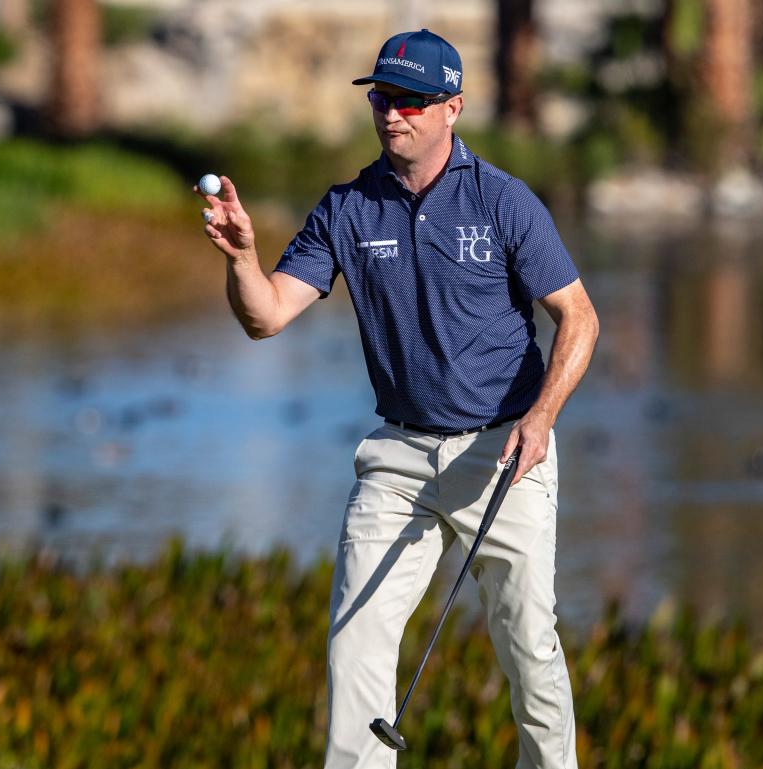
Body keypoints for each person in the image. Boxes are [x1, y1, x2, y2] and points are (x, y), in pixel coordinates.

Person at [196, 28, 598, 769]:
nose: (391, 114)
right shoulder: (348, 208)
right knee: (355, 641)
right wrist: (244, 259)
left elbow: (579, 315)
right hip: (397, 457)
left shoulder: (503, 201)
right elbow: (265, 316)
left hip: (503, 452)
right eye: (382, 97)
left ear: (453, 107)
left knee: (528, 647)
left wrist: (541, 418)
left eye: (410, 101)